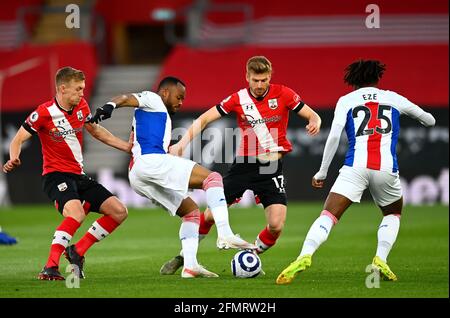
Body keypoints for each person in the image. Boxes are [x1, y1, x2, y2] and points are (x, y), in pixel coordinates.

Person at [276, 59, 436, 285]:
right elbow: (430, 120)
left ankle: (305, 255)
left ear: (353, 81)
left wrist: (322, 172)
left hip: (355, 167)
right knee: (392, 214)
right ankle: (380, 259)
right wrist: (411, 116)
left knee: (328, 216)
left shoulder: (346, 100)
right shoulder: (393, 98)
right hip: (386, 168)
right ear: (377, 78)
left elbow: (333, 136)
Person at [159, 56, 321, 275]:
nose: (260, 85)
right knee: (209, 216)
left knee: (276, 225)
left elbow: (312, 115)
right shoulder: (238, 99)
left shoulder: (284, 93)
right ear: (247, 77)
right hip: (244, 165)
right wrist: (181, 143)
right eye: (255, 80)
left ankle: (250, 258)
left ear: (269, 77)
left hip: (271, 169)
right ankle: (184, 256)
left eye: (264, 80)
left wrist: (315, 121)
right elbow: (205, 119)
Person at [90, 76, 256, 278]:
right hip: (152, 162)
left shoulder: (151, 118)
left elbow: (131, 146)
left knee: (191, 212)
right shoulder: (153, 99)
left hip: (138, 175)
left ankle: (190, 266)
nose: (181, 102)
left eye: (183, 99)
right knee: (212, 179)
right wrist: (109, 106)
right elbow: (125, 98)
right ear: (165, 92)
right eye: (179, 96)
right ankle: (225, 233)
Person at [3, 67, 130, 280]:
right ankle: (50, 267)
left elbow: (96, 131)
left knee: (119, 211)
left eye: (83, 88)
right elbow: (17, 139)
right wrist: (13, 157)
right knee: (77, 214)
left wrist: (126, 147)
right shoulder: (43, 112)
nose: (82, 93)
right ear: (63, 88)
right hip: (55, 176)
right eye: (78, 89)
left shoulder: (81, 106)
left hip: (78, 175)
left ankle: (77, 251)